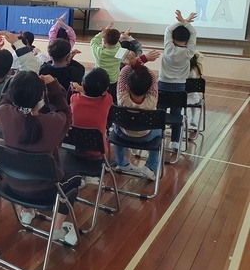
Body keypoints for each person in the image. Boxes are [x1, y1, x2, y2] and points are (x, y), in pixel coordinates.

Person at [0, 70, 79, 244]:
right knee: (74, 180)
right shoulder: (53, 123)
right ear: (41, 96)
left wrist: (15, 83)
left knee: (25, 166)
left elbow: (3, 101)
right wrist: (54, 87)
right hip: (46, 191)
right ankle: (56, 229)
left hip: (13, 185)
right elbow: (66, 112)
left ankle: (27, 211)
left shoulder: (4, 115)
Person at [114, 50, 161, 180]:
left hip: (123, 134)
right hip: (145, 137)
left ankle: (121, 162)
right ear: (149, 88)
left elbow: (124, 72)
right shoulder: (152, 100)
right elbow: (151, 77)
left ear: (127, 86)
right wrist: (140, 61)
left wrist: (140, 59)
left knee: (116, 125)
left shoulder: (122, 96)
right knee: (159, 128)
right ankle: (150, 167)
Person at [158, 10, 197, 151]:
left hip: (162, 84)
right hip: (179, 87)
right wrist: (185, 21)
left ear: (172, 38)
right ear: (187, 41)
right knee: (176, 114)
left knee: (160, 113)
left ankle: (159, 136)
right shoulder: (189, 52)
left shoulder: (168, 49)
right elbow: (193, 33)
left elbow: (168, 29)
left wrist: (181, 20)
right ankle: (175, 142)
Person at [70, 67, 112, 160]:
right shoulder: (107, 100)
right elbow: (104, 93)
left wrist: (78, 87)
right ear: (106, 89)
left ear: (83, 84)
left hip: (74, 148)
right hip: (97, 152)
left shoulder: (74, 99)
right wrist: (82, 88)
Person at [39, 38, 84, 102]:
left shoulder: (44, 70)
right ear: (68, 57)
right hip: (67, 105)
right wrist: (70, 60)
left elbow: (48, 63)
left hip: (48, 103)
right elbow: (80, 68)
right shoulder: (74, 72)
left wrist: (68, 58)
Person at [90, 22, 122, 102]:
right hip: (113, 82)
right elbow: (117, 43)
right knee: (112, 101)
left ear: (104, 40)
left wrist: (102, 33)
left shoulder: (99, 52)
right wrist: (107, 34)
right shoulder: (119, 51)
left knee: (97, 99)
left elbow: (93, 42)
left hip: (98, 81)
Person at [187, 51, 204, 137]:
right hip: (192, 98)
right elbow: (201, 56)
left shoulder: (181, 70)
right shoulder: (196, 71)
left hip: (178, 99)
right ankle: (193, 117)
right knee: (195, 96)